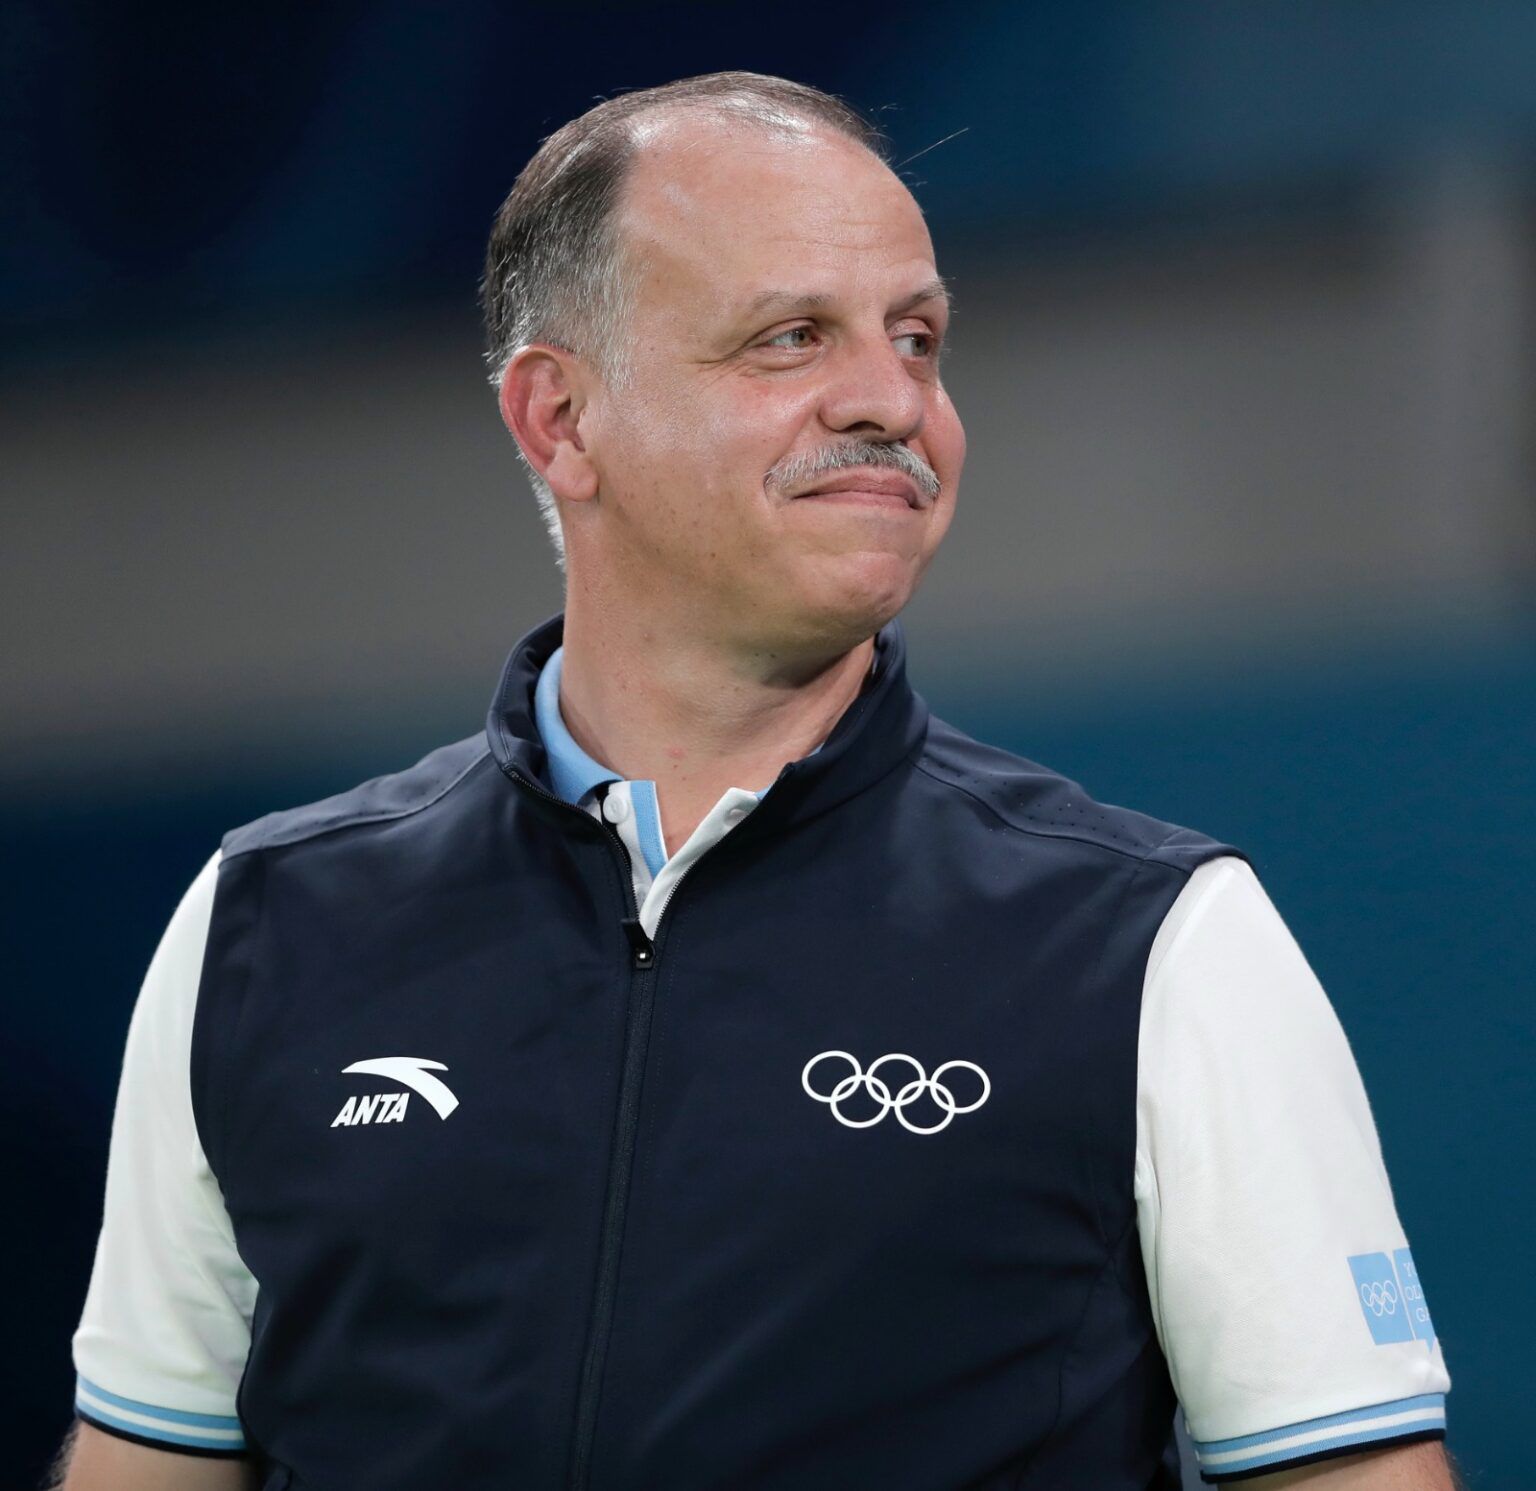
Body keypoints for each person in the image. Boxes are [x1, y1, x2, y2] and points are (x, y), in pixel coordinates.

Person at [54, 72, 1456, 1491]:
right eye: (791, 337)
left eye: (918, 338)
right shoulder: (265, 924)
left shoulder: (1157, 941)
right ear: (559, 419)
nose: (893, 401)